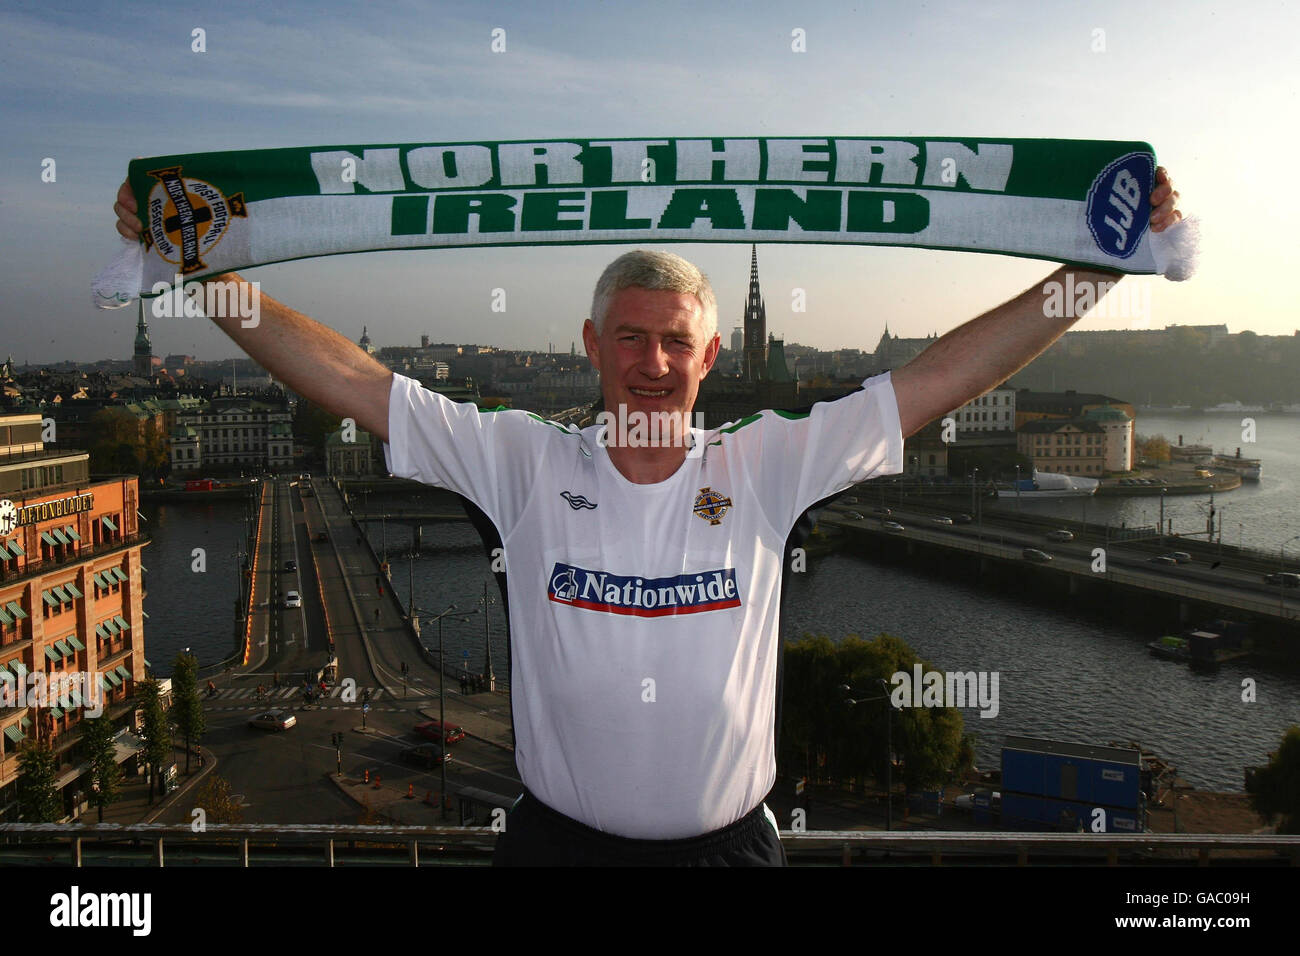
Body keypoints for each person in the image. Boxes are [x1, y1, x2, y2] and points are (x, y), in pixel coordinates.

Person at [113, 171, 1183, 865]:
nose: (654, 361)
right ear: (591, 345)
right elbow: (352, 380)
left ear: (711, 356)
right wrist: (207, 277)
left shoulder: (766, 462)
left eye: (676, 340)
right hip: (556, 850)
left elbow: (941, 376)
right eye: (630, 338)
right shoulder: (522, 460)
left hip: (730, 853)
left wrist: (1090, 273)